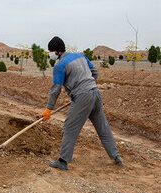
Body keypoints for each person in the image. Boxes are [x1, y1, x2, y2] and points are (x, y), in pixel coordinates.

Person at [42, 36, 123, 170]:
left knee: (69, 127)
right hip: (95, 93)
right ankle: (116, 156)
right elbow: (94, 72)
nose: (50, 54)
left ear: (56, 52)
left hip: (83, 96)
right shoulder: (80, 56)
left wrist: (49, 109)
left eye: (50, 51)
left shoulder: (60, 65)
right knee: (102, 127)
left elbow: (55, 89)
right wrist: (88, 85)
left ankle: (63, 161)